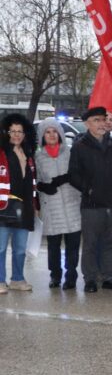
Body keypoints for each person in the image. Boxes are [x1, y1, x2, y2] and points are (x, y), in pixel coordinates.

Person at [68, 107, 112, 293]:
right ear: (87, 124)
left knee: (110, 241)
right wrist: (89, 190)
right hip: (91, 204)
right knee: (91, 243)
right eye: (96, 120)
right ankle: (91, 278)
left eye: (103, 120)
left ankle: (108, 276)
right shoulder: (80, 146)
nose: (102, 123)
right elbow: (73, 175)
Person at [35, 118, 81, 289]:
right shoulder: (38, 156)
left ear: (60, 134)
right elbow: (36, 180)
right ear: (42, 135)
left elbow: (79, 175)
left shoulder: (70, 153)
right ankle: (55, 275)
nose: (52, 135)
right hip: (51, 207)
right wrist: (43, 187)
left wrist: (65, 178)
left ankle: (71, 276)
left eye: (55, 131)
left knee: (73, 246)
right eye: (48, 132)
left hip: (72, 205)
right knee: (53, 247)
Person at [0, 114, 37, 294]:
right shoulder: (1, 153)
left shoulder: (29, 154)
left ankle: (17, 279)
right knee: (0, 248)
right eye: (12, 131)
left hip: (24, 208)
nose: (16, 135)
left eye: (19, 131)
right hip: (3, 207)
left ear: (25, 134)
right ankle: (0, 281)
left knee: (20, 249)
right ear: (6, 133)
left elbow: (32, 183)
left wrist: (36, 206)